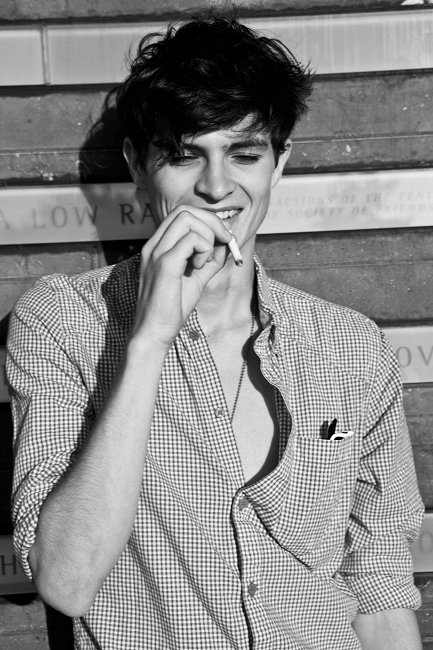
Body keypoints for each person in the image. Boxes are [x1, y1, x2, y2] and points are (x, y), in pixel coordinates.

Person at [6, 12, 424, 650]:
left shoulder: (352, 347)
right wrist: (149, 340)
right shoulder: (63, 321)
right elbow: (65, 581)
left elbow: (379, 587)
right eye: (184, 155)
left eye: (245, 154)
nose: (216, 186)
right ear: (138, 166)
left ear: (279, 163)